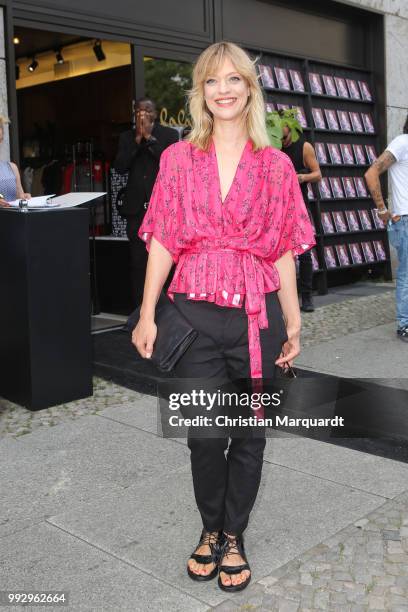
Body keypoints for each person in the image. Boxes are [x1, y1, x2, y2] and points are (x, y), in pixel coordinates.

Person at [132, 42, 315, 592]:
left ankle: (234, 534)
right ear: (201, 93)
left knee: (250, 434)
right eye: (213, 81)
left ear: (250, 89)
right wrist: (146, 315)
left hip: (258, 321)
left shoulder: (277, 165)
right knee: (205, 435)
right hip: (191, 317)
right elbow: (162, 239)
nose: (224, 90)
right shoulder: (178, 158)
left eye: (234, 79)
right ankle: (210, 528)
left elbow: (283, 248)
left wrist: (294, 321)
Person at [114, 99, 179, 306]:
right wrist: (137, 141)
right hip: (136, 213)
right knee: (138, 263)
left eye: (147, 110)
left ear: (155, 113)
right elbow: (120, 167)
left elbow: (172, 165)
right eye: (139, 110)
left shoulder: (168, 135)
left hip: (162, 212)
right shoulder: (126, 137)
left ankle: (167, 311)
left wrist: (149, 138)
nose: (142, 114)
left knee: (165, 262)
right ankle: (140, 311)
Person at [365, 114, 408, 342]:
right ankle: (405, 325)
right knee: (407, 274)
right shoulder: (402, 142)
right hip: (406, 220)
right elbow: (371, 173)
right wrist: (381, 209)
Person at [281, 124, 322, 312]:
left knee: (304, 253)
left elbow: (317, 174)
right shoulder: (272, 146)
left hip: (298, 205)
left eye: (282, 131)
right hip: (278, 206)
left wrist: (302, 178)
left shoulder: (303, 146)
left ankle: (307, 296)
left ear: (290, 128)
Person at [0, 116, 31, 207]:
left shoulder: (12, 168)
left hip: (13, 219)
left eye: (0, 139)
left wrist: (24, 197)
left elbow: (19, 196)